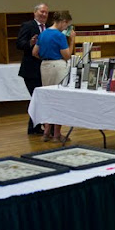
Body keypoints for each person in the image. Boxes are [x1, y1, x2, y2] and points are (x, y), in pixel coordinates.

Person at [32, 11, 76, 143]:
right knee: (59, 99)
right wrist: (72, 40)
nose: (66, 28)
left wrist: (46, 57)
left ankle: (46, 132)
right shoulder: (59, 35)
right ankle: (57, 134)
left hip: (44, 66)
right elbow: (67, 55)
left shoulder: (43, 33)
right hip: (57, 66)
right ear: (62, 21)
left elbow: (34, 52)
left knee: (48, 98)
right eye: (66, 25)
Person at [16, 3, 49, 135]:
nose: (44, 14)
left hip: (44, 68)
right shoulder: (28, 25)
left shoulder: (48, 28)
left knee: (40, 97)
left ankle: (35, 127)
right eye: (42, 12)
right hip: (31, 69)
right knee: (36, 97)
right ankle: (34, 127)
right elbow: (19, 44)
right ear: (35, 12)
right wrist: (30, 43)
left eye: (46, 12)